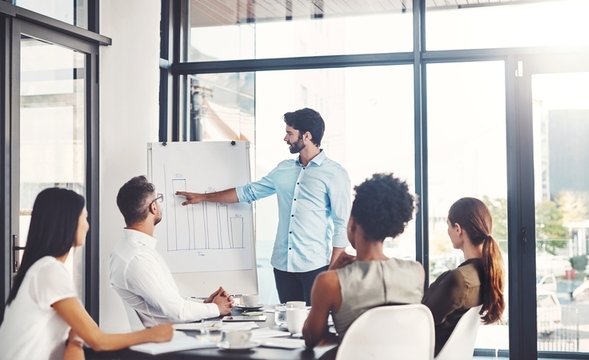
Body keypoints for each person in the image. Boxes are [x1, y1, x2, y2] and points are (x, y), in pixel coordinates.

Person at [176, 108, 351, 304]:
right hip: (282, 266)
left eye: (290, 133)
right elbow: (248, 192)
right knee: (288, 324)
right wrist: (203, 197)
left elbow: (341, 223)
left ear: (307, 136)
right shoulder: (283, 169)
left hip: (316, 267)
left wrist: (332, 270)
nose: (285, 138)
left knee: (315, 327)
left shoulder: (335, 173)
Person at [0, 188, 173, 360]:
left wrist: (76, 340)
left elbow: (79, 334)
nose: (87, 226)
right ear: (68, 223)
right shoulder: (49, 271)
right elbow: (98, 340)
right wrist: (153, 334)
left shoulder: (39, 269)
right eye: (85, 218)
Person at [302, 173, 425, 348]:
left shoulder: (329, 282)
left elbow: (311, 338)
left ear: (352, 224)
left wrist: (332, 272)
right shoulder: (416, 272)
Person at [110, 175, 233, 327]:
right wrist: (216, 308)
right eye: (158, 199)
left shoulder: (129, 249)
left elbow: (168, 305)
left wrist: (205, 305)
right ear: (153, 207)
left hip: (171, 334)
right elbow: (177, 312)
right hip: (172, 340)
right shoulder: (138, 258)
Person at [423, 197, 505, 356]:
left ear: (458, 229)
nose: (447, 231)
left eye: (448, 225)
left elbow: (421, 321)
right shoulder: (487, 273)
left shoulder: (460, 279)